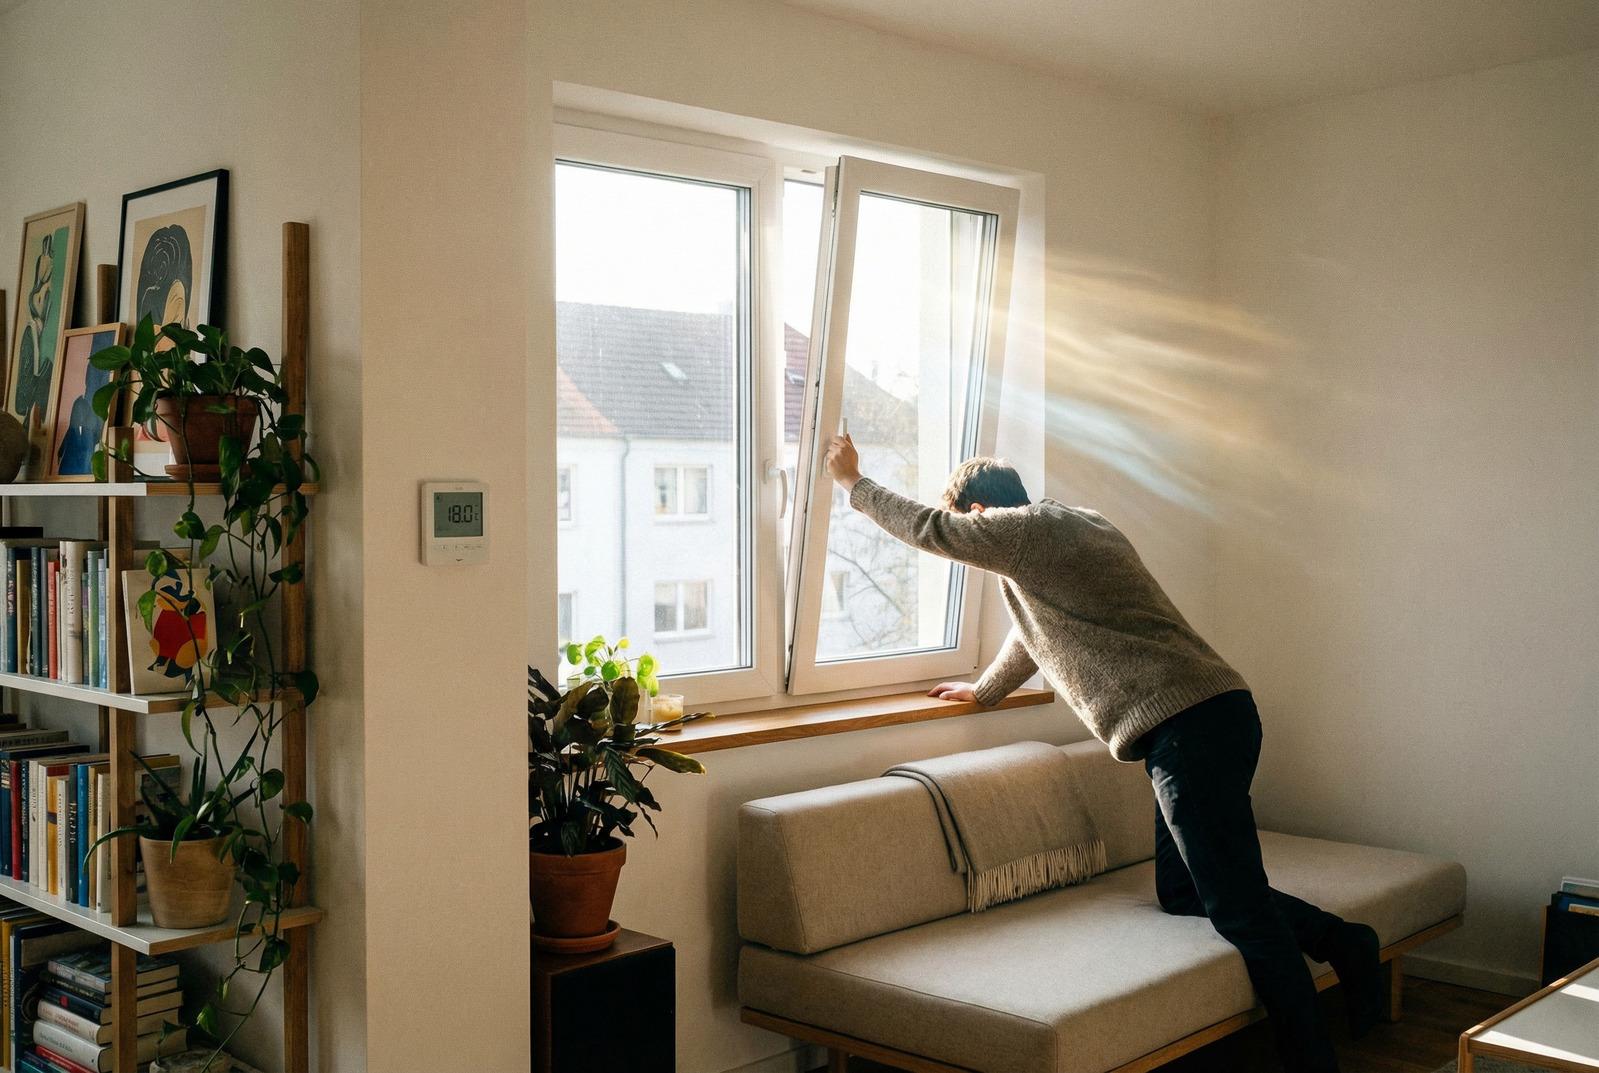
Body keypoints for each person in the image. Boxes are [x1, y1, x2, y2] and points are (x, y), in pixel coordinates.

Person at [823, 435, 1383, 1073]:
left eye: (971, 530)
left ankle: (1315, 1057)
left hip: (1189, 731)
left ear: (982, 514)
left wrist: (853, 485)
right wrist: (982, 693)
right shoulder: (1072, 530)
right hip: (1214, 714)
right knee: (1183, 891)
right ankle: (1348, 943)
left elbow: (930, 529)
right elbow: (1042, 637)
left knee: (1242, 910)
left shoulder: (1024, 532)